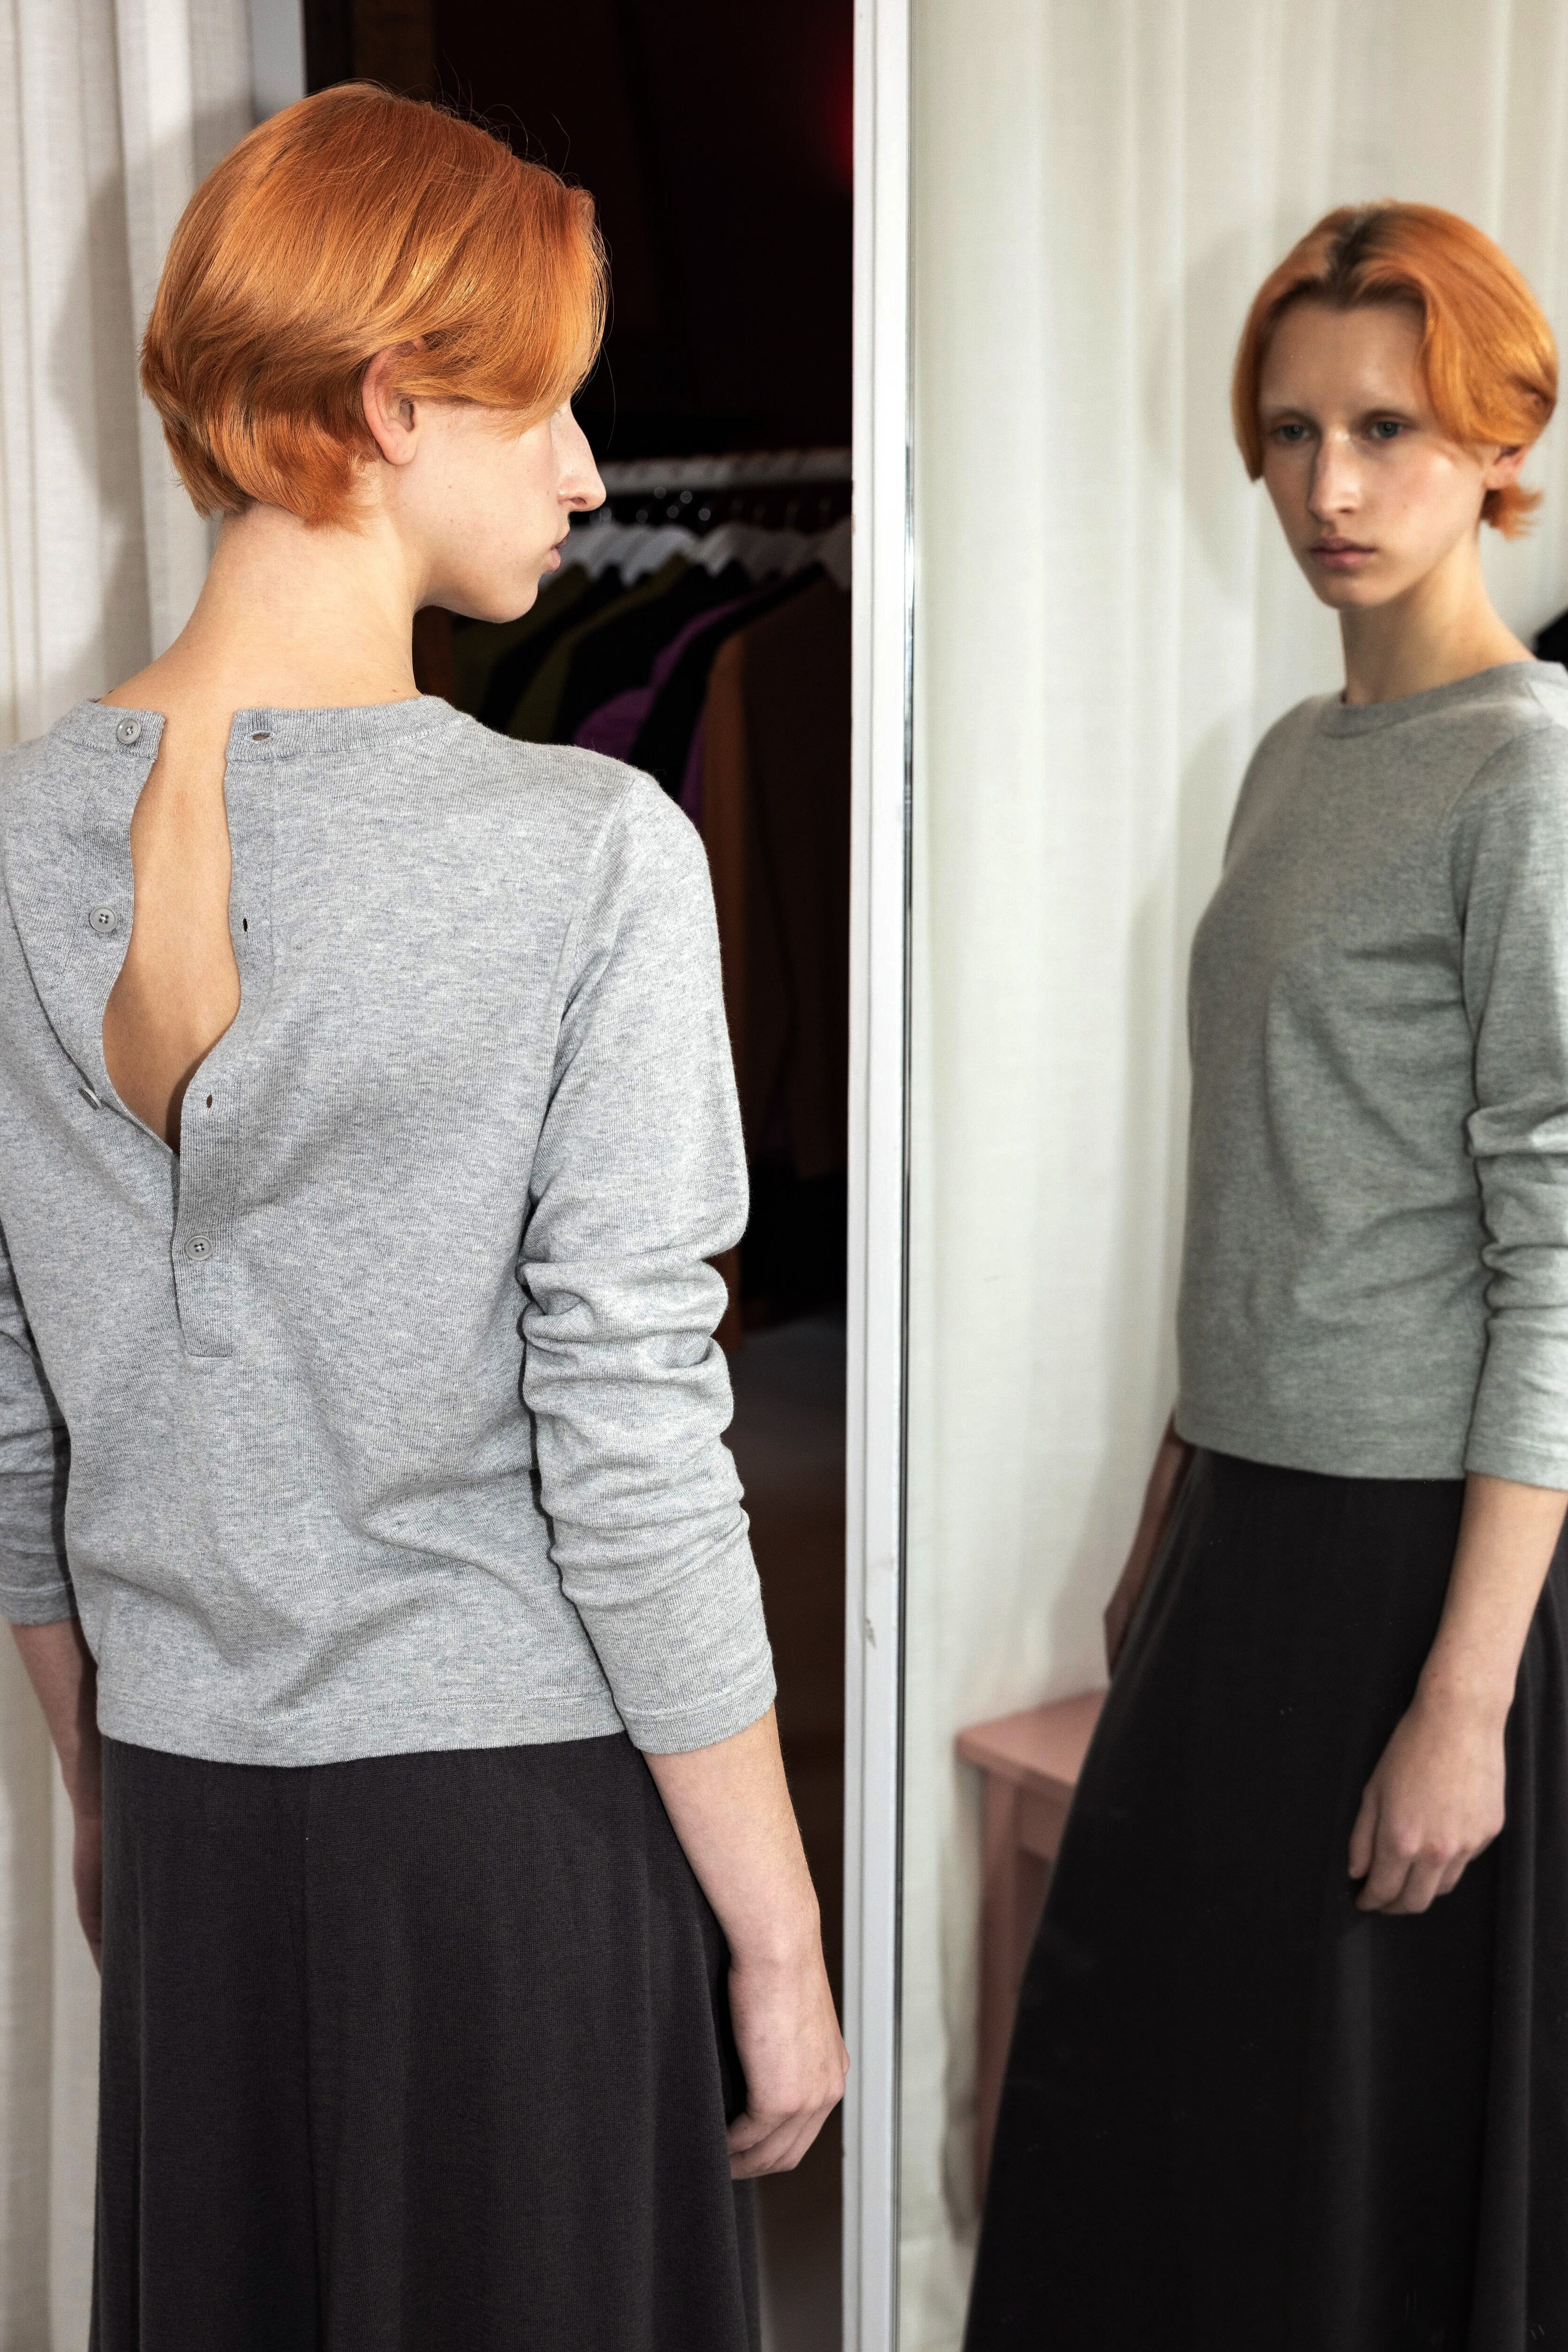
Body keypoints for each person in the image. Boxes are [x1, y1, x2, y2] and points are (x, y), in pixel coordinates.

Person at [0, 83, 845, 2352]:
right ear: (390, 406)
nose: (584, 472)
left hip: (189, 1815)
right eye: (546, 403)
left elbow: (14, 1415)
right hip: (512, 1845)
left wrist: (102, 1779)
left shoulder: (15, 839)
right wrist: (777, 1929)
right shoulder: (583, 853)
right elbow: (635, 1444)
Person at [965, 202, 1568, 2350]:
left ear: (1501, 442)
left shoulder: (1528, 777)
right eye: (1295, 430)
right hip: (1243, 1521)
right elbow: (1273, 1175)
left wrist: (1465, 1705)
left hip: (1414, 1562)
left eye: (1390, 428)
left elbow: (1559, 1265)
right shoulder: (1295, 755)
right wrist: (1170, 1501)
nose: (1333, 483)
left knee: (1333, 2168)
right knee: (1150, 2123)